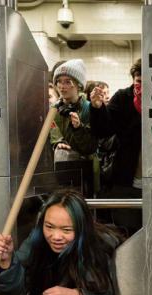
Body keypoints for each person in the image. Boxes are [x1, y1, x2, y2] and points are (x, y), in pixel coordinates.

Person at [89, 60, 142, 237]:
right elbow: (103, 130)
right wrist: (97, 108)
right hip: (127, 179)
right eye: (138, 81)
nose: (141, 86)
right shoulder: (124, 97)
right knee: (126, 232)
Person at [51, 59, 99, 195]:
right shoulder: (52, 111)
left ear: (79, 85)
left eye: (68, 81)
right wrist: (58, 143)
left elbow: (90, 147)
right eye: (58, 81)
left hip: (85, 176)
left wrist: (78, 128)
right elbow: (50, 135)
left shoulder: (90, 110)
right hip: (60, 175)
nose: (62, 86)